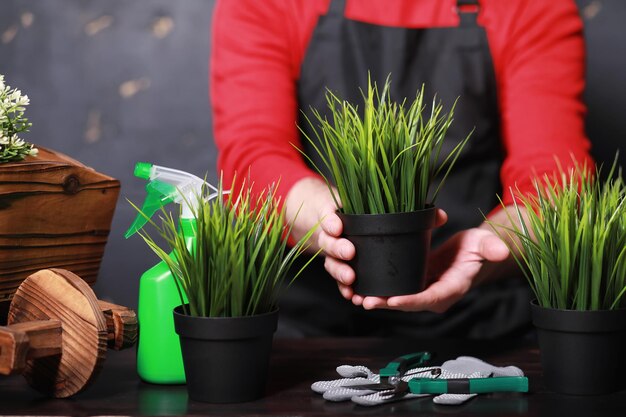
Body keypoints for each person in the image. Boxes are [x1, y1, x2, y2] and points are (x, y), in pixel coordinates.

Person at [210, 0, 593, 338]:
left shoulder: (533, 6)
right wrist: (323, 222)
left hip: (479, 320)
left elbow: (555, 181)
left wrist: (494, 246)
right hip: (307, 321)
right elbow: (252, 153)